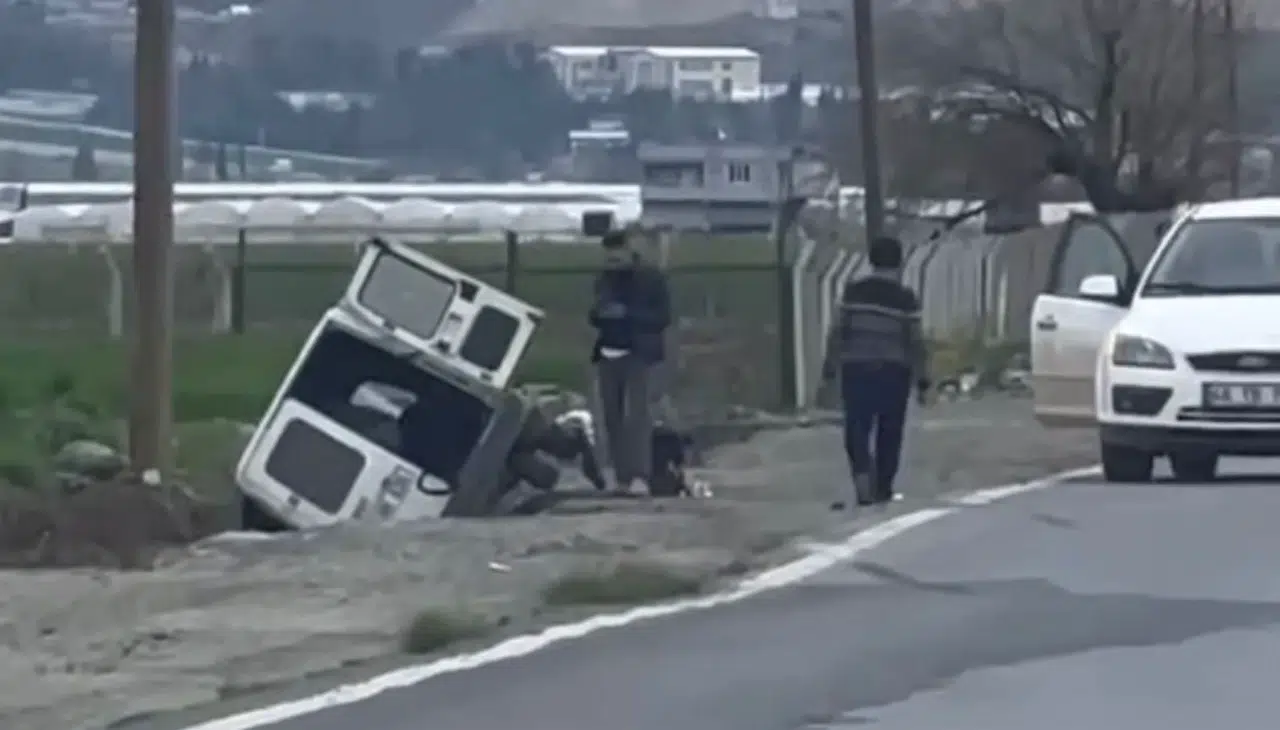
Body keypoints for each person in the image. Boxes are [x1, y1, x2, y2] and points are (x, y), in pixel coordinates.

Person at [822, 235, 930, 510]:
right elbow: (915, 341)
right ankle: (883, 486)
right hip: (894, 371)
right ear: (899, 262)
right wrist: (922, 379)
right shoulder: (905, 299)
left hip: (856, 368)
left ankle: (862, 476)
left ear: (871, 260)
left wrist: (830, 367)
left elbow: (838, 332)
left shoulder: (853, 293)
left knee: (857, 426)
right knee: (889, 431)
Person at [588, 229, 672, 494]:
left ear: (628, 251)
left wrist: (627, 314)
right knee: (611, 418)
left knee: (636, 417)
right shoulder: (604, 279)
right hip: (608, 352)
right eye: (608, 257)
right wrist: (600, 314)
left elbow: (662, 318)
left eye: (616, 256)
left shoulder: (651, 279)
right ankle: (621, 477)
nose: (612, 262)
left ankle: (640, 475)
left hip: (639, 353)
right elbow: (594, 313)